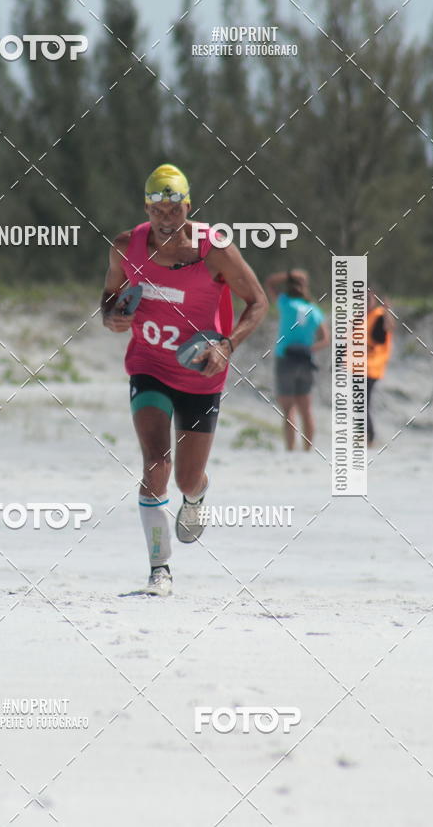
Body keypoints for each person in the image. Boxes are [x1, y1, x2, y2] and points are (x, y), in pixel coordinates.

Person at [101, 163, 268, 595]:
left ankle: (196, 497)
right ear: (146, 207)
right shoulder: (125, 246)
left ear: (188, 206)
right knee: (156, 463)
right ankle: (160, 569)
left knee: (186, 479)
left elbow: (258, 302)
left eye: (174, 206)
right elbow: (109, 297)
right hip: (149, 366)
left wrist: (227, 345)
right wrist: (111, 316)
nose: (165, 214)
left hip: (200, 373)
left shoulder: (215, 250)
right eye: (157, 205)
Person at [264, 269, 329, 451]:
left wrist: (289, 275)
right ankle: (307, 450)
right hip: (305, 360)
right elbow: (325, 339)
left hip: (285, 358)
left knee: (288, 409)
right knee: (306, 409)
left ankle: (290, 449)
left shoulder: (286, 303)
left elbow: (269, 282)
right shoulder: (314, 310)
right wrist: (309, 349)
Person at [367, 289, 393, 446]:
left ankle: (369, 437)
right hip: (359, 368)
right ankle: (367, 436)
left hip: (372, 368)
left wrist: (387, 311)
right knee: (361, 404)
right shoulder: (361, 318)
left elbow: (389, 327)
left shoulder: (379, 315)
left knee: (362, 403)